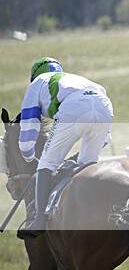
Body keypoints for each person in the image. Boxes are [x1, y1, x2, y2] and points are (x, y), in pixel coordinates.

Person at [17, 57, 114, 239]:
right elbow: (106, 138)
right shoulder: (75, 79)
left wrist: (28, 154)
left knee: (46, 163)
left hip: (74, 106)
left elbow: (29, 122)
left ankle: (39, 220)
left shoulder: (37, 83)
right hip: (104, 104)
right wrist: (75, 160)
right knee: (88, 165)